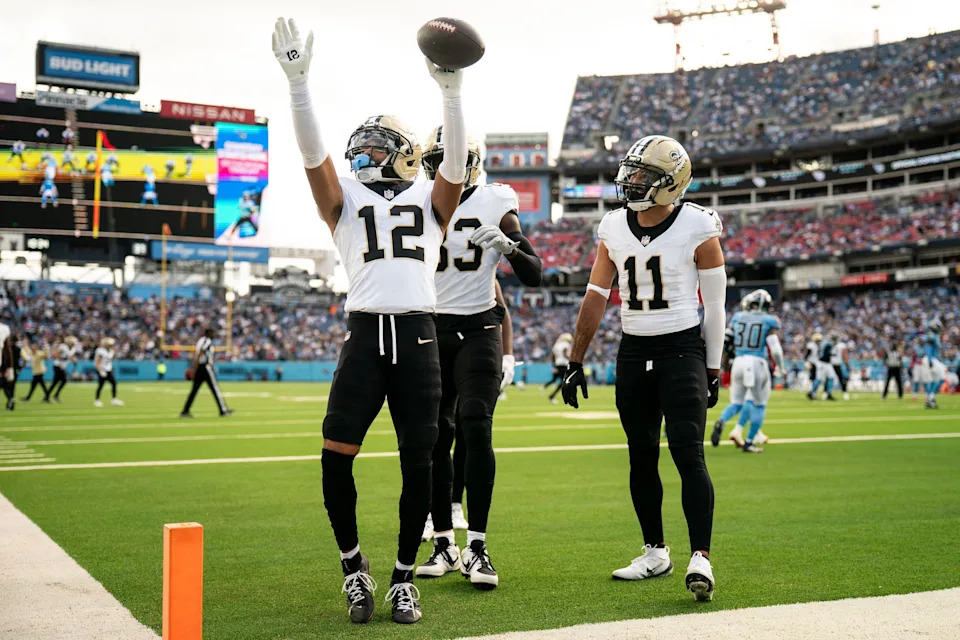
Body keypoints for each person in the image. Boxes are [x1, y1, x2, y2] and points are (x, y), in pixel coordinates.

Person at [272, 16, 469, 624]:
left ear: (405, 152)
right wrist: (299, 85)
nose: (363, 154)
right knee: (335, 456)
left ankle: (404, 577)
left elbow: (456, 167)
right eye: (360, 147)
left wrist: (452, 94)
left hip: (417, 335)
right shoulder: (346, 199)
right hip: (364, 334)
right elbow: (314, 155)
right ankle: (353, 568)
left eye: (375, 147)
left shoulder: (430, 198)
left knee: (421, 463)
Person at [561, 135, 726, 602]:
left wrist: (712, 365)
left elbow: (714, 305)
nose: (631, 181)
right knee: (640, 454)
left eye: (643, 174)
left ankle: (701, 556)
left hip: (681, 348)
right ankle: (655, 551)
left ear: (671, 183)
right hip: (633, 350)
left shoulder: (697, 225)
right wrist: (576, 359)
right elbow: (596, 296)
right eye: (631, 172)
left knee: (688, 453)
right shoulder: (613, 226)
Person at [415, 127, 539, 589]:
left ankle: (478, 546)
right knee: (435, 435)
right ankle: (444, 542)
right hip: (430, 326)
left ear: (470, 161)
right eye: (435, 158)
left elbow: (536, 274)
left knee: (475, 424)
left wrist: (511, 248)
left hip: (480, 326)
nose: (440, 167)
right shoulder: (418, 197)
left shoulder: (495, 199)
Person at [711, 290, 784, 453]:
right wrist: (781, 367)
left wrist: (723, 364)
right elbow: (776, 350)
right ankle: (749, 441)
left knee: (737, 402)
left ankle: (722, 420)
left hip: (738, 362)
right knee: (759, 404)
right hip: (757, 362)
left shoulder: (738, 317)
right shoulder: (770, 321)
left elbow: (726, 341)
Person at [180, 328, 231, 418]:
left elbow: (199, 354)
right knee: (215, 389)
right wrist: (194, 368)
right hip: (205, 368)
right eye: (213, 333)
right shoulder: (206, 341)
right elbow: (200, 353)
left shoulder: (201, 340)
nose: (214, 335)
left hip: (200, 368)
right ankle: (223, 410)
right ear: (209, 333)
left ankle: (185, 410)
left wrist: (194, 368)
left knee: (194, 391)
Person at [45, 335, 78, 402]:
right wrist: (62, 358)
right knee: (63, 381)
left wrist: (74, 362)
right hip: (58, 366)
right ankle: (53, 395)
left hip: (62, 367)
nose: (74, 344)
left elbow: (72, 356)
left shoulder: (72, 349)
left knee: (56, 382)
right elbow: (54, 355)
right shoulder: (63, 347)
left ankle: (48, 396)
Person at [543, 333, 572, 404]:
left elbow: (553, 356)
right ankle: (552, 396)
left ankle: (553, 395)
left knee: (560, 381)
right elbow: (565, 354)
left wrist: (554, 366)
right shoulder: (566, 345)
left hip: (558, 364)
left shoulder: (556, 345)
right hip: (564, 364)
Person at [20, 337, 50, 403]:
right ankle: (47, 397)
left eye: (33, 348)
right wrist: (25, 345)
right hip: (36, 372)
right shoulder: (33, 353)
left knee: (36, 386)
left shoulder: (39, 353)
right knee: (40, 386)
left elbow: (45, 356)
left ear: (36, 348)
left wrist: (46, 347)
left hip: (39, 372)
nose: (32, 349)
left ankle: (28, 398)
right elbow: (28, 350)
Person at [94, 337, 123, 407]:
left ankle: (114, 399)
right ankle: (97, 400)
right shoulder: (101, 351)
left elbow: (108, 360)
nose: (111, 346)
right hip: (102, 370)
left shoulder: (110, 351)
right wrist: (100, 371)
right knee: (101, 385)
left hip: (108, 370)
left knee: (114, 383)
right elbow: (97, 362)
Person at [829, 332, 851, 400]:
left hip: (837, 364)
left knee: (841, 379)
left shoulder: (841, 345)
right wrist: (847, 364)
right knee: (830, 379)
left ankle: (845, 392)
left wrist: (847, 364)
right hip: (830, 364)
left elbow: (845, 355)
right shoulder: (830, 345)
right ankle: (828, 393)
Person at [0, 321, 14, 411]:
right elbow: (7, 351)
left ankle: (10, 399)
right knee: (3, 384)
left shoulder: (3, 329)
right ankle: (10, 399)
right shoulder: (4, 329)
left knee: (3, 383)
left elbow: (7, 351)